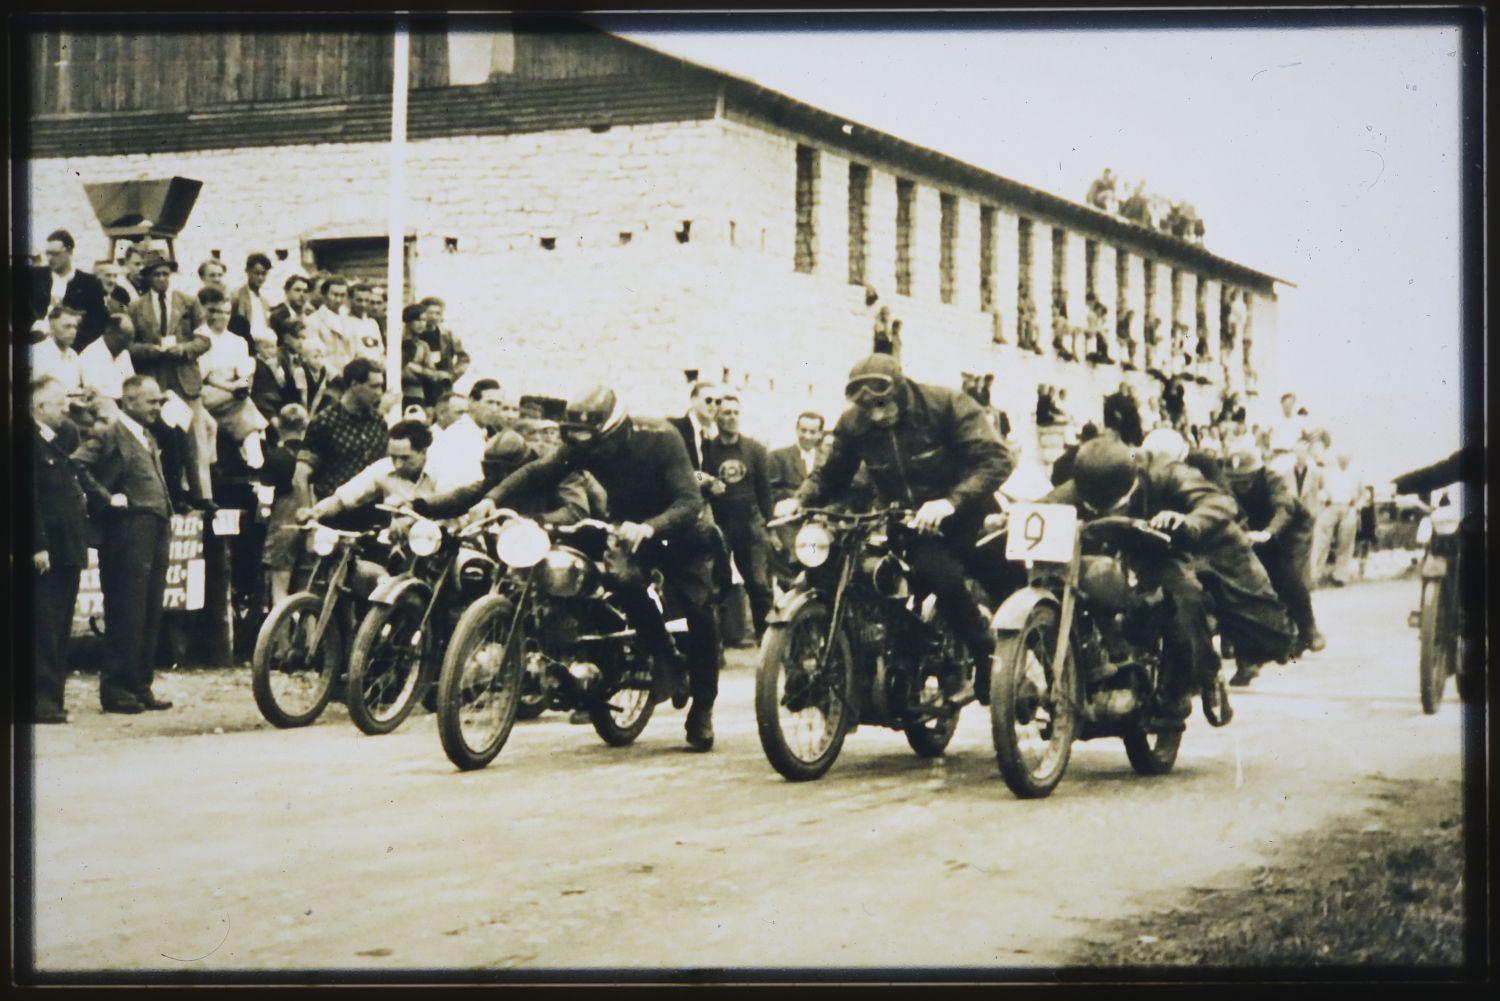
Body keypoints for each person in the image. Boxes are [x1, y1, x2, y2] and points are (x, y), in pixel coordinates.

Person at [464, 385, 723, 751]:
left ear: (613, 429)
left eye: (591, 438)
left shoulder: (661, 438)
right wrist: (492, 499)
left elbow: (688, 500)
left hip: (682, 530)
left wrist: (650, 527)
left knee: (699, 609)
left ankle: (702, 708)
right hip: (627, 526)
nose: (585, 446)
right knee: (619, 578)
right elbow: (539, 470)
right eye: (577, 437)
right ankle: (662, 653)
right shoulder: (582, 443)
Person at [776, 353, 1017, 707]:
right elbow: (831, 474)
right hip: (910, 523)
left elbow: (997, 458)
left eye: (883, 404)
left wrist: (950, 502)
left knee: (987, 581)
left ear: (901, 389)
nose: (877, 415)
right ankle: (898, 661)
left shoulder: (946, 405)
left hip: (969, 515)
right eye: (867, 408)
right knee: (900, 580)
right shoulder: (854, 424)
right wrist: (800, 499)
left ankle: (985, 651)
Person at [1045, 437, 1293, 725]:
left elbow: (1219, 502)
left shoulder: (1165, 471)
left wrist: (1188, 520)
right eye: (1096, 506)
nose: (1107, 511)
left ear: (1132, 482)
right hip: (1122, 549)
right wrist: (1012, 518)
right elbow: (1047, 505)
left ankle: (1203, 677)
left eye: (1114, 505)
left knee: (1187, 597)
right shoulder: (1094, 478)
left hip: (1177, 549)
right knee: (1084, 586)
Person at [72, 374, 177, 713]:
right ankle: (117, 688)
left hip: (154, 527)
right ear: (129, 401)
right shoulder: (109, 431)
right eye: (151, 402)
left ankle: (140, 684)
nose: (157, 407)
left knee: (150, 610)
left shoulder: (147, 435)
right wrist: (106, 498)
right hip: (127, 531)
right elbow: (78, 464)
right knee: (126, 609)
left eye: (159, 401)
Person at [125, 251, 214, 504]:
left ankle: (202, 496)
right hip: (156, 380)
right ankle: (171, 496)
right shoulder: (136, 308)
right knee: (165, 442)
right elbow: (129, 345)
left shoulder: (188, 302)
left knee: (194, 443)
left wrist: (184, 349)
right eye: (157, 275)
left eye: (166, 274)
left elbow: (205, 339)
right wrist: (149, 351)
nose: (162, 279)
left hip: (185, 380)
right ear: (147, 277)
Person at [1223, 446, 1325, 668]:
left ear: (1256, 473)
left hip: (1290, 531)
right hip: (1254, 531)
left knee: (1285, 574)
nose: (1241, 485)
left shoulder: (1272, 479)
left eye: (1246, 479)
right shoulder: (1226, 484)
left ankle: (1309, 628)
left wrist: (1269, 532)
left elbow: (1284, 508)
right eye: (1236, 480)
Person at [29, 376, 93, 723]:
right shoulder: (27, 444)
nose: (65, 409)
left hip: (66, 549)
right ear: (39, 408)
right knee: (45, 627)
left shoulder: (53, 442)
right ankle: (41, 701)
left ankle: (52, 698)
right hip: (48, 551)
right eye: (58, 404)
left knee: (59, 625)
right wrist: (37, 545)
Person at [702, 394, 775, 640]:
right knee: (716, 583)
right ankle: (715, 642)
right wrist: (708, 482)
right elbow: (694, 474)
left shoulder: (754, 449)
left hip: (750, 525)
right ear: (716, 417)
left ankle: (766, 640)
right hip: (719, 524)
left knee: (758, 584)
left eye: (735, 412)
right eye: (726, 413)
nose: (732, 417)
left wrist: (770, 524)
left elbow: (765, 490)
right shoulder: (706, 448)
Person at [293, 357, 391, 527]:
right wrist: (307, 516)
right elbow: (300, 475)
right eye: (374, 386)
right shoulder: (324, 422)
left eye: (381, 386)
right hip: (335, 517)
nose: (379, 393)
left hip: (375, 516)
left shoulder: (379, 420)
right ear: (354, 385)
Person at [298, 419, 438, 525]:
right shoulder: (383, 468)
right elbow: (343, 498)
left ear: (423, 452)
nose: (398, 465)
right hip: (395, 542)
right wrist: (314, 513)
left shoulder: (440, 471)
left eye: (405, 458)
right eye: (393, 457)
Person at [195, 287, 268, 468]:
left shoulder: (238, 341)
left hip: (233, 394)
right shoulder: (199, 337)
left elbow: (245, 375)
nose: (223, 317)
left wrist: (242, 384)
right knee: (246, 405)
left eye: (227, 313)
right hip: (208, 392)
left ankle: (254, 466)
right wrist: (232, 388)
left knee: (245, 405)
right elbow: (204, 377)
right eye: (217, 312)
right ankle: (250, 461)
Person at [25, 229, 108, 351]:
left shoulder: (89, 283)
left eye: (55, 254)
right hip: (33, 343)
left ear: (70, 251)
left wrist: (70, 345)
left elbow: (97, 322)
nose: (50, 258)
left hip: (71, 347)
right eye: (47, 254)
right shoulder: (36, 276)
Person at [260, 403, 309, 605]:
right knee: (306, 588)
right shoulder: (311, 457)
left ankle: (281, 625)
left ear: (279, 425)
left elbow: (264, 497)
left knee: (279, 588)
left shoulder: (274, 456)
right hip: (311, 520)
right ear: (304, 426)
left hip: (283, 524)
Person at [426, 378, 505, 491]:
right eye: (489, 402)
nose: (494, 409)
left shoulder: (485, 434)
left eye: (498, 404)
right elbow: (448, 485)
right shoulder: (456, 435)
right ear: (471, 401)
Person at [1312, 450, 1362, 587]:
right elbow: (1319, 490)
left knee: (1346, 542)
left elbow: (1363, 493)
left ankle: (1340, 576)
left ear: (1350, 458)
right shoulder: (1328, 472)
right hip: (1331, 506)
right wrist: (1322, 500)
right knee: (1321, 539)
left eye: (1345, 457)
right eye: (1340, 457)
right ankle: (1315, 574)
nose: (1343, 460)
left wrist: (1357, 507)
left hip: (1348, 507)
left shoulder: (1356, 474)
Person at [79, 313, 137, 410]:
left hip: (125, 406)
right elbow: (94, 394)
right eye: (124, 339)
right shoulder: (90, 355)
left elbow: (132, 384)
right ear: (109, 332)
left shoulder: (124, 354)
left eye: (130, 340)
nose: (128, 344)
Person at [768, 411, 825, 504]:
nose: (807, 436)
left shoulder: (827, 459)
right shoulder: (778, 457)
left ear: (820, 434)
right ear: (797, 430)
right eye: (803, 430)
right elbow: (770, 490)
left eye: (812, 432)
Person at [667, 381, 721, 473]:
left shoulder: (709, 436)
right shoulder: (676, 428)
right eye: (708, 400)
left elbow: (700, 472)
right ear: (693, 400)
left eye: (717, 402)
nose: (713, 405)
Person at [31, 305, 86, 396]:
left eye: (75, 327)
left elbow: (72, 389)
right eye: (67, 326)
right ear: (52, 327)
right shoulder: (37, 353)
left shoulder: (73, 355)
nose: (73, 332)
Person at [228, 252, 275, 347]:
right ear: (247, 271)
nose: (260, 278)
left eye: (263, 274)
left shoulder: (264, 301)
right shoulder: (237, 296)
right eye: (256, 273)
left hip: (263, 347)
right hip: (244, 345)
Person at [344, 283, 386, 363]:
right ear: (350, 300)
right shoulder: (344, 322)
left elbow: (380, 351)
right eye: (359, 300)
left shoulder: (372, 323)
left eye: (366, 300)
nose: (363, 305)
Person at [1102, 379, 1144, 446]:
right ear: (1120, 388)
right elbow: (1109, 405)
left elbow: (1135, 409)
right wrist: (1116, 412)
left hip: (1130, 421)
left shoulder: (1131, 398)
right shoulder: (1115, 397)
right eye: (1122, 388)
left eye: (1125, 388)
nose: (1123, 389)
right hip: (1122, 421)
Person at [1265, 392, 1306, 460]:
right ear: (1281, 404)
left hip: (1293, 454)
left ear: (1293, 404)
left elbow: (1304, 437)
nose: (1288, 406)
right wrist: (1268, 450)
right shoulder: (1274, 420)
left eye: (1290, 404)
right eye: (1286, 403)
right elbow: (1266, 437)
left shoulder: (1298, 421)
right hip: (1277, 454)